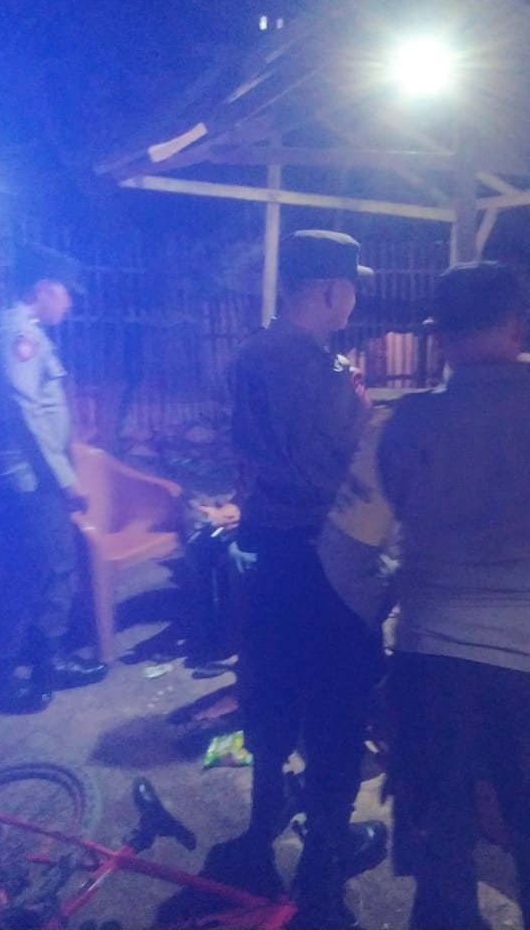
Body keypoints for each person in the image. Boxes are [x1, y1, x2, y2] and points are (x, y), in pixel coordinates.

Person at [323, 261, 530, 930]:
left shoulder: (400, 428)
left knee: (440, 851)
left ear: (437, 337)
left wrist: (390, 608)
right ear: (518, 328)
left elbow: (343, 553)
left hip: (431, 669)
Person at [217, 230, 386, 929]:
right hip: (324, 561)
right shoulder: (317, 369)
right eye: (351, 287)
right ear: (329, 290)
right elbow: (346, 463)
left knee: (270, 692)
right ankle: (323, 865)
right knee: (336, 711)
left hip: (268, 554)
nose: (355, 299)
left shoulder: (251, 354)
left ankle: (260, 831)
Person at [0, 249, 107, 715]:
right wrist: (66, 480)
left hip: (40, 478)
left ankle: (51, 660)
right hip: (26, 481)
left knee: (58, 568)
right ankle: (0, 679)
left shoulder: (30, 333)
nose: (70, 303)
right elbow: (25, 413)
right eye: (66, 292)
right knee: (26, 578)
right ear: (42, 288)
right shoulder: (18, 335)